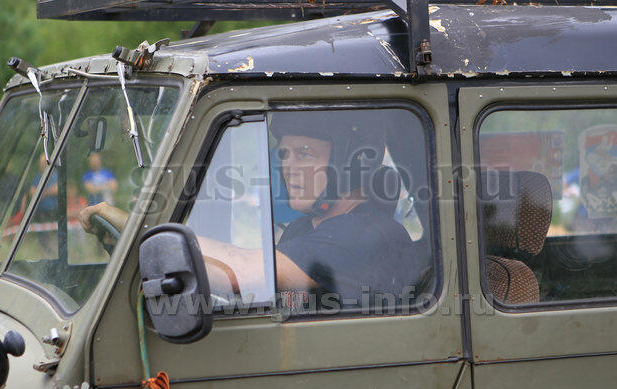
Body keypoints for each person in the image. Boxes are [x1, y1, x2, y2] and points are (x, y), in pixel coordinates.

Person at [79, 112, 420, 312]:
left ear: (350, 165)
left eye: (304, 154)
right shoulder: (306, 229)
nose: (288, 166)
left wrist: (141, 230)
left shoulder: (366, 237)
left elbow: (242, 273)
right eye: (284, 154)